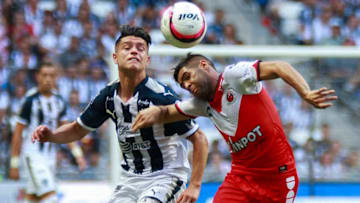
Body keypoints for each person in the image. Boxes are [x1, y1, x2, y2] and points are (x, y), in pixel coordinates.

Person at [32, 25, 208, 203]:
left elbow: (199, 138)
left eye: (140, 48)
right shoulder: (108, 96)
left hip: (166, 176)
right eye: (127, 47)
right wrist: (52, 136)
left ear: (147, 59)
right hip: (130, 180)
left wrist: (194, 185)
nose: (134, 52)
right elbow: (78, 129)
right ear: (115, 57)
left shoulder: (161, 97)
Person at [131, 53, 338, 202]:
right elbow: (170, 111)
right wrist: (154, 113)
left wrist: (305, 92)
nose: (187, 86)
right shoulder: (202, 105)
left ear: (203, 65)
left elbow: (279, 66)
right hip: (241, 179)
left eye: (187, 77)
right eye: (183, 86)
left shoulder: (235, 77)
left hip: (278, 179)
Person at [9, 62, 87, 203]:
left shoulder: (59, 101)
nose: (48, 79)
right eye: (44, 75)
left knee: (34, 198)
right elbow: (17, 133)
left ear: (56, 77)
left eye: (51, 75)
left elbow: (67, 131)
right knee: (51, 197)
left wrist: (78, 154)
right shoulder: (29, 101)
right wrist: (14, 163)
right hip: (32, 155)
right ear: (38, 77)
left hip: (50, 157)